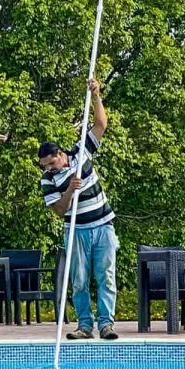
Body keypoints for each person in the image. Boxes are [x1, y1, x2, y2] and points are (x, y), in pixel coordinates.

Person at [38, 78, 119, 340]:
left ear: (61, 154)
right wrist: (71, 190)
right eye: (45, 166)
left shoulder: (81, 152)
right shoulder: (48, 181)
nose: (48, 168)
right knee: (80, 281)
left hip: (103, 225)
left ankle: (107, 325)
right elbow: (59, 211)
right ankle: (85, 326)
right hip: (76, 231)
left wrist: (96, 95)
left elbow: (101, 125)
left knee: (106, 276)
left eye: (50, 163)